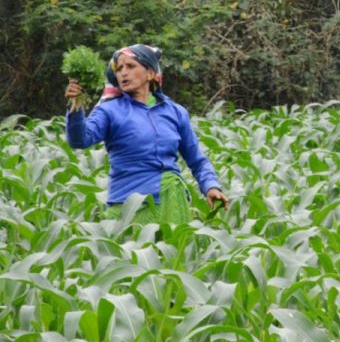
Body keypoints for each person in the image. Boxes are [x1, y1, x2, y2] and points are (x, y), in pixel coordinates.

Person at [64, 44, 228, 223]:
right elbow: (80, 140)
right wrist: (76, 105)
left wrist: (211, 186)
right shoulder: (110, 110)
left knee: (172, 251)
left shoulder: (175, 112)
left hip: (172, 202)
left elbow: (196, 159)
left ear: (150, 73)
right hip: (129, 206)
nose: (123, 73)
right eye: (119, 69)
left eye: (130, 66)